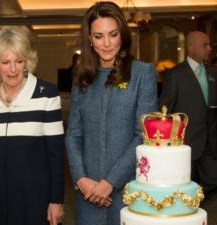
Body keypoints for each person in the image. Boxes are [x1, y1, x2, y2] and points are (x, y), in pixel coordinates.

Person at [0, 26, 65, 225]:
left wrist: (56, 200)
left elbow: (55, 155)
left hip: (33, 196)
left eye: (19, 61)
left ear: (27, 61)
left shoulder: (46, 94)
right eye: (5, 62)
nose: (13, 69)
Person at [65, 2, 157, 225]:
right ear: (89, 39)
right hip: (88, 191)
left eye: (112, 34)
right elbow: (73, 134)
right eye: (98, 36)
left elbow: (143, 134)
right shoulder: (82, 76)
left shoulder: (142, 73)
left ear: (122, 35)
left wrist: (109, 182)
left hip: (128, 190)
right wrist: (81, 179)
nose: (106, 44)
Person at [159, 31, 217, 194]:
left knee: (212, 180)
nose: (209, 49)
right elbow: (165, 109)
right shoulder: (176, 74)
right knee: (184, 186)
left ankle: (197, 204)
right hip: (186, 143)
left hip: (211, 143)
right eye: (204, 45)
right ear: (191, 48)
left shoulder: (213, 72)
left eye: (209, 45)